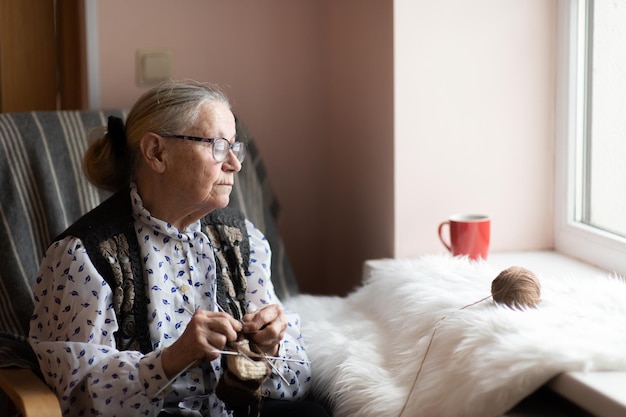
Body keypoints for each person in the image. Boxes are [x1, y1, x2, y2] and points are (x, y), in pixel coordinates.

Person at [29, 80, 329, 417]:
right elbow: (76, 397)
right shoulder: (84, 256)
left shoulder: (242, 239)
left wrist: (269, 347)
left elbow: (297, 375)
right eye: (217, 146)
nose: (235, 163)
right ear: (157, 152)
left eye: (235, 147)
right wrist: (172, 359)